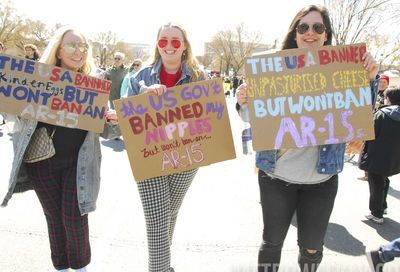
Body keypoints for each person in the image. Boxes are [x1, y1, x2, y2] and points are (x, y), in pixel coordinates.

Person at [236, 5, 379, 272]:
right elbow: (250, 118)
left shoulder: (345, 70)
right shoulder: (271, 69)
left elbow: (359, 115)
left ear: (326, 35)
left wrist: (369, 77)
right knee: (271, 243)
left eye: (318, 27)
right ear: (296, 33)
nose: (310, 33)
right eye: (303, 27)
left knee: (312, 247)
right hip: (276, 177)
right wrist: (244, 101)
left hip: (322, 181)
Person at [1, 26, 120, 272]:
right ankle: (62, 267)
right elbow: (11, 112)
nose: (78, 52)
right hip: (40, 161)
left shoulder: (93, 85)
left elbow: (105, 131)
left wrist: (112, 120)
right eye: (71, 46)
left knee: (74, 218)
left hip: (79, 164)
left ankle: (80, 267)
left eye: (83, 47)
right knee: (55, 219)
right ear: (58, 50)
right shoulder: (36, 79)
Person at [127, 22, 205, 272]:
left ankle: (163, 265)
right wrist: (142, 100)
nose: (169, 46)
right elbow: (125, 121)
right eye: (163, 41)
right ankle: (160, 269)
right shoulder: (141, 77)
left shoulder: (199, 76)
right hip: (150, 155)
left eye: (175, 41)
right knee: (158, 219)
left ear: (184, 46)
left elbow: (211, 118)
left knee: (167, 215)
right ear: (157, 45)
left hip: (187, 157)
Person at [359, 87, 400, 225]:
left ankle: (376, 213)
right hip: (394, 157)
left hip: (377, 155)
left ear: (388, 99)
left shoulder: (381, 114)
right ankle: (383, 206)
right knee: (384, 180)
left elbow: (369, 133)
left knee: (375, 183)